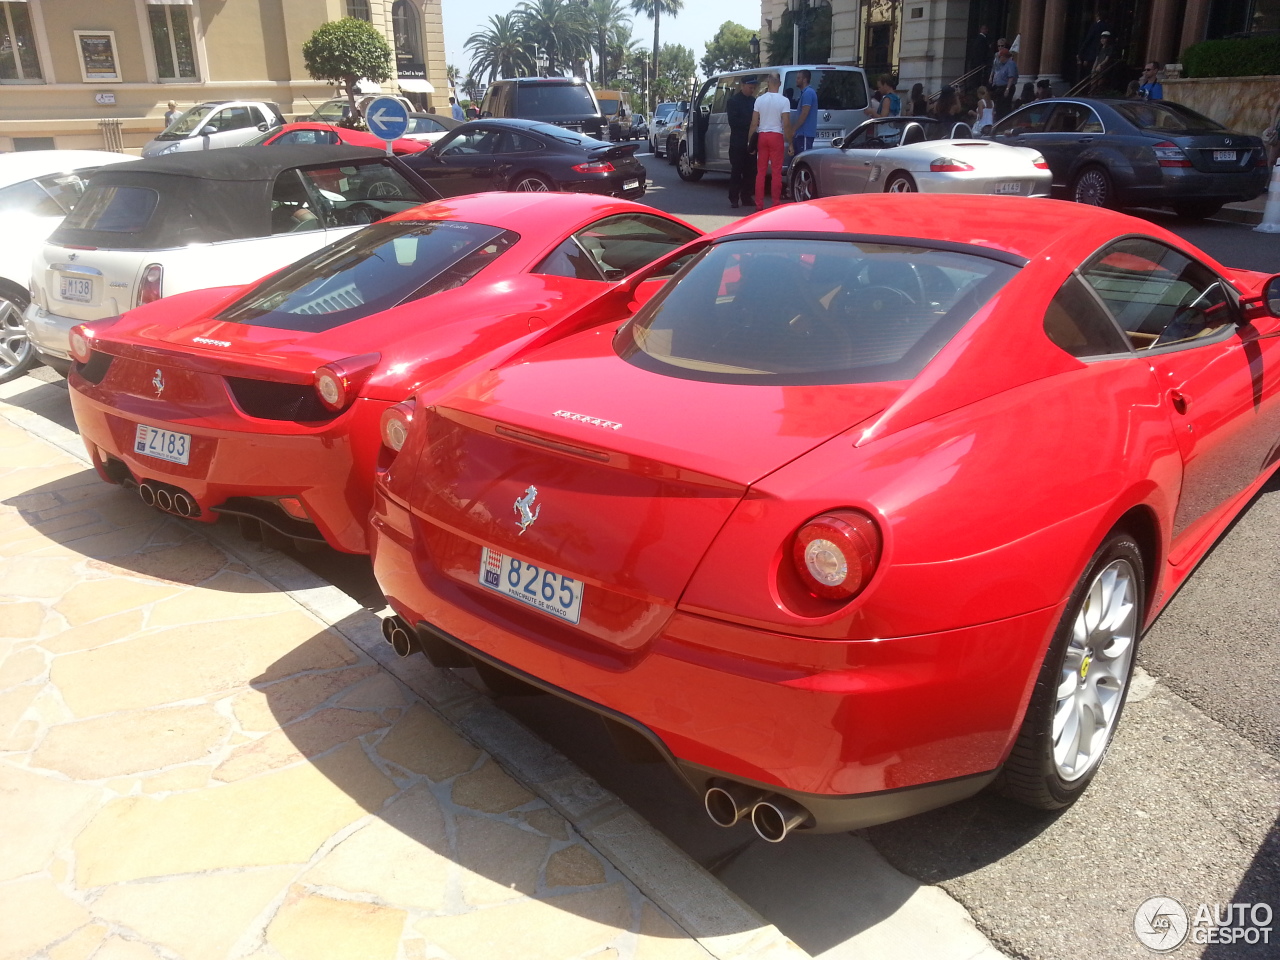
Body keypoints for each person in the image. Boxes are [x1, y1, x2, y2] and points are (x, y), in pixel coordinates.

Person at [747, 73, 793, 209]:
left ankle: (759, 204)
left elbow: (754, 123)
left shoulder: (759, 100)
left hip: (762, 136)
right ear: (779, 83)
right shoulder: (784, 101)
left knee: (760, 172)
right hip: (776, 136)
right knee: (776, 172)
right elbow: (786, 123)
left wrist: (750, 141)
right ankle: (775, 203)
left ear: (768, 82)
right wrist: (790, 142)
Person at [727, 75, 758, 209]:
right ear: (743, 85)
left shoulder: (754, 101)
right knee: (736, 170)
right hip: (738, 142)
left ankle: (747, 196)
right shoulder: (733, 101)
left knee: (751, 171)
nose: (752, 90)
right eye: (750, 87)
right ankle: (734, 198)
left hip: (751, 141)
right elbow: (733, 122)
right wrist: (750, 124)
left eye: (753, 88)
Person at [791, 69, 819, 155]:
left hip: (805, 134)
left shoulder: (808, 93)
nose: (796, 80)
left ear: (805, 80)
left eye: (798, 78)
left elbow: (804, 113)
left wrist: (794, 129)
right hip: (801, 135)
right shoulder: (804, 93)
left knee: (803, 158)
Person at [1077, 13, 1111, 82]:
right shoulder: (1107, 26)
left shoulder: (1095, 26)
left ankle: (1088, 89)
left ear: (1097, 16)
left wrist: (1081, 53)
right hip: (1100, 53)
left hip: (1092, 53)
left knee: (1090, 74)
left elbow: (1088, 39)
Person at [991, 47, 1018, 119]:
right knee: (999, 106)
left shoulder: (1010, 64)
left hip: (1006, 87)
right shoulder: (1002, 64)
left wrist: (1007, 89)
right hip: (1000, 87)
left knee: (1004, 106)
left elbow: (1011, 77)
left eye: (1000, 57)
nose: (999, 58)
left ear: (1004, 56)